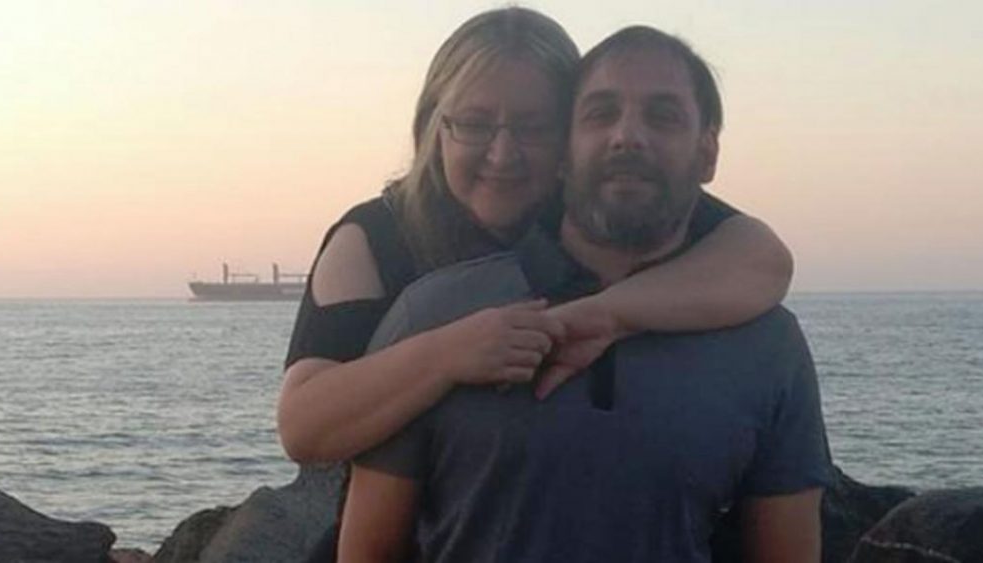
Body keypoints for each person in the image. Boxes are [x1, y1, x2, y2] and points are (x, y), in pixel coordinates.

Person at [278, 7, 792, 558]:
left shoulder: (596, 215)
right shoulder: (378, 236)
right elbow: (305, 428)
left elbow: (764, 261)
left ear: (569, 137)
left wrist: (608, 314)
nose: (503, 154)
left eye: (532, 127)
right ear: (433, 126)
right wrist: (449, 352)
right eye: (475, 124)